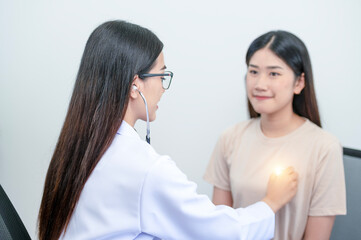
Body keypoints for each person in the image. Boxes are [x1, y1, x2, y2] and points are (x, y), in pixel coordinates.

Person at [38, 21, 298, 240]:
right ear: (134, 85)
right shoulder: (145, 169)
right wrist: (271, 201)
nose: (163, 87)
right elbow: (223, 232)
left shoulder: (78, 148)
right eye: (161, 76)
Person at [204, 30, 346, 240]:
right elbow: (221, 229)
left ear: (299, 83)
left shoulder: (324, 147)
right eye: (253, 72)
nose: (260, 84)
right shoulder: (230, 138)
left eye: (274, 73)